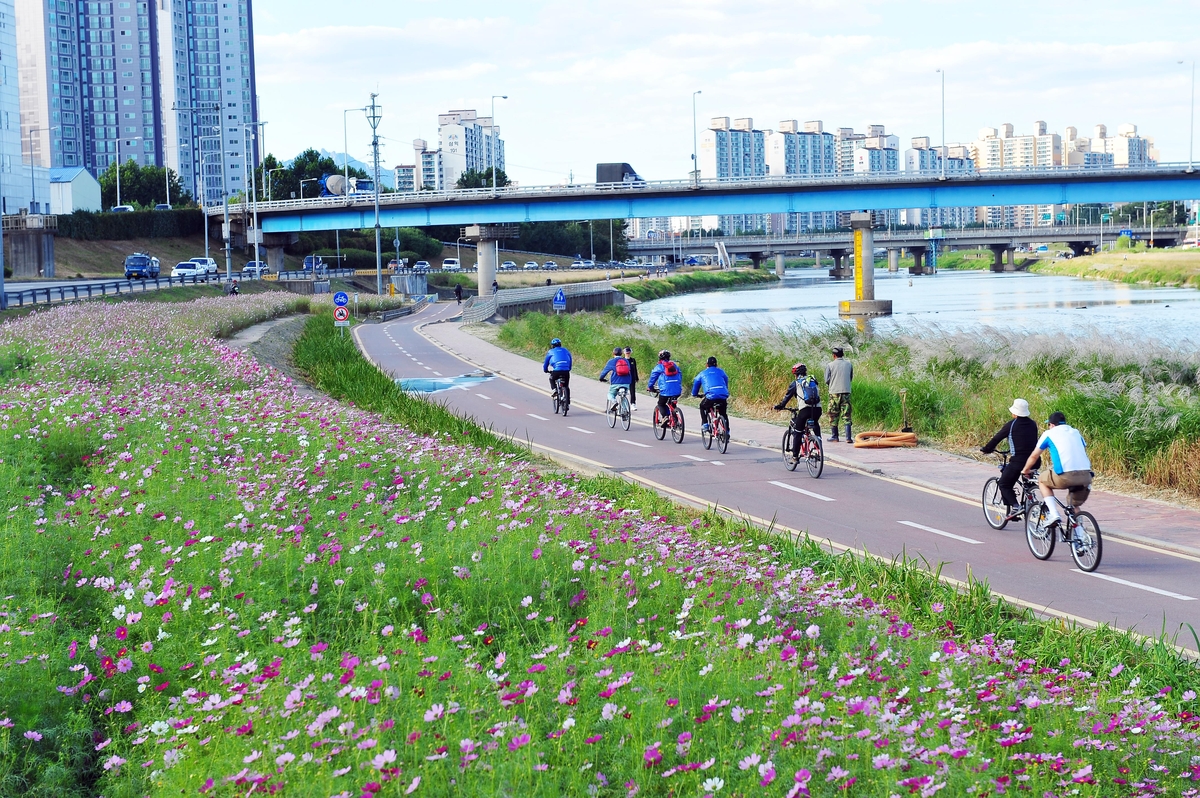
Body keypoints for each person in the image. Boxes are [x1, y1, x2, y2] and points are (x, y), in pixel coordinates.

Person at [1022, 411, 1092, 531]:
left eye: (1048, 424)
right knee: (1073, 506)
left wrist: (1025, 470)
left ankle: (1054, 514)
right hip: (1086, 476)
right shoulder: (1076, 432)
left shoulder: (1049, 434)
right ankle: (1081, 538)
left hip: (1065, 475)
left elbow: (1034, 456)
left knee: (1042, 481)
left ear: (1052, 425)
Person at [980, 398, 1039, 514]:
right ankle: (1031, 500)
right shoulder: (1033, 424)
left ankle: (1016, 506)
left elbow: (997, 438)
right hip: (1035, 461)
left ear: (1015, 412)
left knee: (1004, 483)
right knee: (1028, 483)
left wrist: (987, 449)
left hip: (1019, 462)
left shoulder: (1011, 425)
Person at [774, 363, 821, 456]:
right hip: (817, 409)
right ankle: (819, 447)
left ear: (795, 374)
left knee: (798, 431)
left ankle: (795, 456)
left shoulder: (796, 383)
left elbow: (787, 397)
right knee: (815, 424)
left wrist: (780, 406)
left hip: (805, 410)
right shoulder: (813, 380)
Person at [692, 356, 730, 433]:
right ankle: (727, 432)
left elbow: (696, 382)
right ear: (716, 364)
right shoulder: (721, 372)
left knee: (702, 406)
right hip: (723, 395)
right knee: (723, 413)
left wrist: (695, 394)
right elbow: (726, 381)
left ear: (707, 365)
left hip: (711, 396)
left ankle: (705, 424)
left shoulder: (702, 373)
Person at [647, 350, 684, 427]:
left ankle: (665, 417)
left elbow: (652, 378)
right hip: (677, 389)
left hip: (665, 390)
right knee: (672, 403)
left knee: (661, 404)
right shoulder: (674, 365)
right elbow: (680, 375)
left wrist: (650, 387)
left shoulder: (659, 367)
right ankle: (675, 420)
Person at [825, 346, 853, 443]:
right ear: (842, 355)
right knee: (847, 414)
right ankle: (848, 437)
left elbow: (826, 380)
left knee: (833, 414)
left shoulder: (830, 365)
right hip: (846, 392)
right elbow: (850, 377)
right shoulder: (849, 365)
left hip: (834, 392)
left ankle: (835, 436)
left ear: (834, 355)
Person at [598, 347, 633, 412]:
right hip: (626, 382)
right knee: (623, 395)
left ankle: (614, 402)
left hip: (616, 382)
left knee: (610, 394)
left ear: (613, 353)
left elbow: (604, 372)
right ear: (622, 353)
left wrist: (601, 378)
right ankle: (625, 412)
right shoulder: (626, 361)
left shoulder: (611, 361)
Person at [543, 338, 573, 403]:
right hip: (566, 371)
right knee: (566, 386)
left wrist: (545, 370)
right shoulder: (566, 350)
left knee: (551, 379)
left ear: (552, 345)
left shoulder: (550, 352)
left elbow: (546, 363)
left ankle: (554, 390)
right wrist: (569, 368)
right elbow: (570, 361)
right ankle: (567, 401)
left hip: (557, 370)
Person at [623, 347, 640, 411]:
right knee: (624, 391)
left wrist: (636, 377)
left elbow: (635, 369)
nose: (628, 354)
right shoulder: (622, 360)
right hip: (624, 378)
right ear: (624, 353)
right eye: (626, 353)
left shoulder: (633, 360)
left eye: (629, 353)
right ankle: (623, 405)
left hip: (632, 378)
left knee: (632, 391)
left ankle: (633, 403)